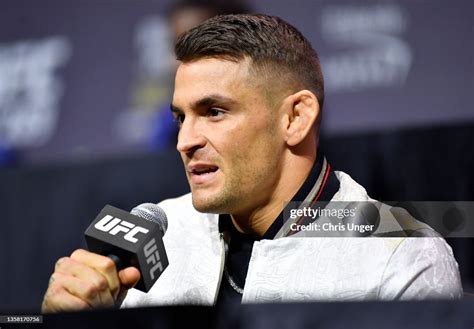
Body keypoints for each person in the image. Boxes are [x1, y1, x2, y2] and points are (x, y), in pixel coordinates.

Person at [41, 14, 462, 312]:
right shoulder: (160, 230)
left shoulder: (401, 255)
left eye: (215, 112)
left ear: (295, 118)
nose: (185, 141)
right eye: (180, 117)